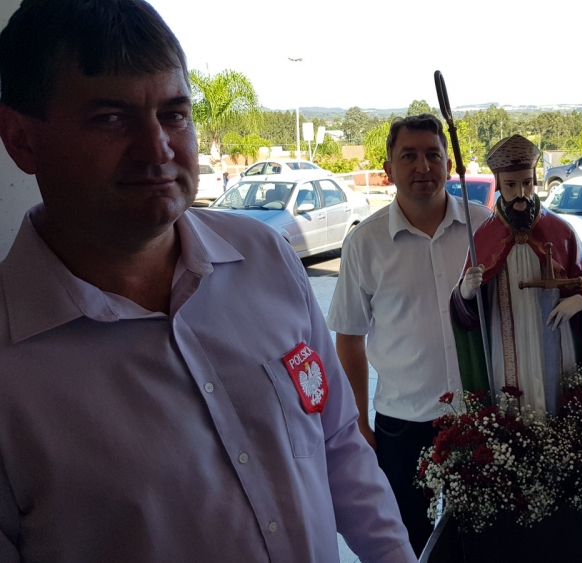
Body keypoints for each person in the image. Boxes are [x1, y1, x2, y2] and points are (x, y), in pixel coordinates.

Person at [0, 2, 414, 562]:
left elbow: (338, 443)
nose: (158, 149)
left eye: (174, 114)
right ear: (21, 139)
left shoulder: (265, 257)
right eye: (110, 118)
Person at [327, 114, 491, 556]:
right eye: (409, 156)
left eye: (433, 155)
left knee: (480, 542)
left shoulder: (484, 229)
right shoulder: (365, 243)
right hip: (403, 425)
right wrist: (358, 423)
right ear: (389, 168)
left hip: (479, 417)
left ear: (448, 163)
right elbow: (349, 337)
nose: (423, 166)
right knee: (405, 543)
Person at [452, 134, 582, 413]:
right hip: (505, 341)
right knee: (511, 405)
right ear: (499, 185)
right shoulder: (484, 236)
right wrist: (466, 291)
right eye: (511, 185)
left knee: (557, 398)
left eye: (526, 183)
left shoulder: (560, 231)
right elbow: (465, 304)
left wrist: (580, 299)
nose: (521, 193)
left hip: (556, 336)